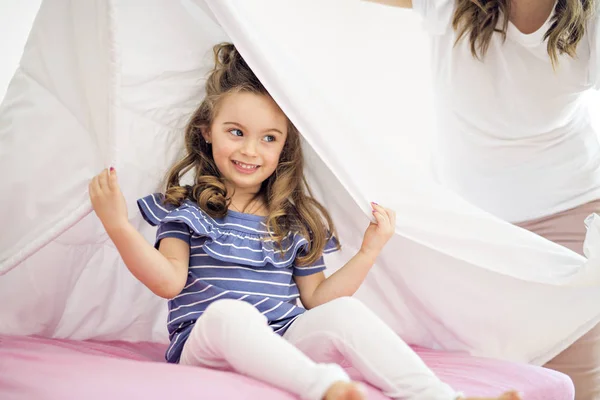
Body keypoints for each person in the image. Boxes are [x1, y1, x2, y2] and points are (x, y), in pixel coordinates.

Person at [88, 43, 519, 400]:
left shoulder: (291, 223)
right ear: (207, 130)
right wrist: (119, 226)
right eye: (235, 132)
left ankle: (441, 397)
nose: (250, 151)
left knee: (346, 313)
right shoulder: (186, 209)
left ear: (283, 148)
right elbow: (167, 282)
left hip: (282, 339)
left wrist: (369, 252)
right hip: (206, 341)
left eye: (268, 139)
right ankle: (327, 389)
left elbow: (318, 300)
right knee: (229, 314)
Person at [367, 0, 600, 398]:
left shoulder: (592, 19)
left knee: (574, 380)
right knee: (483, 376)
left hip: (572, 208)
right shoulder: (452, 4)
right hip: (473, 222)